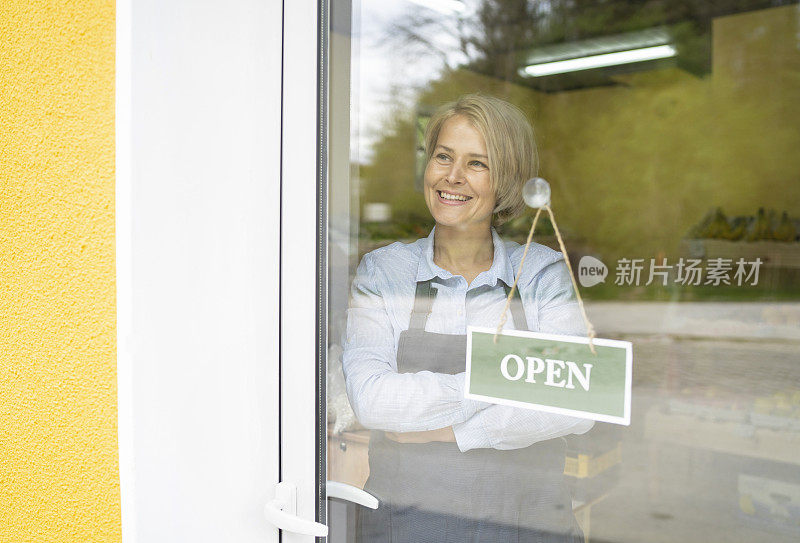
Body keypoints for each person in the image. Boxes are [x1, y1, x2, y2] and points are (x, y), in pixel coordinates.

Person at [342, 94, 593, 542]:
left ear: (507, 179)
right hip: (409, 528)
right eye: (443, 157)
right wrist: (508, 381)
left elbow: (578, 402)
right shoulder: (384, 272)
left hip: (527, 525)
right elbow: (374, 401)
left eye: (477, 163)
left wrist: (448, 431)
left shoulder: (540, 272)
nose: (452, 177)